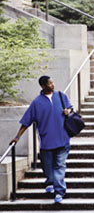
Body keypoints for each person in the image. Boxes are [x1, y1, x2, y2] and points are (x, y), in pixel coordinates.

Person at [10, 75, 72, 204]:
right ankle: (50, 182)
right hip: (46, 142)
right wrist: (17, 137)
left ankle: (59, 192)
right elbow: (26, 122)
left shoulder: (60, 95)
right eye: (50, 83)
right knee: (48, 168)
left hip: (63, 139)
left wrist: (68, 111)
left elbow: (70, 108)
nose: (52, 85)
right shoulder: (37, 103)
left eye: (53, 82)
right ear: (43, 86)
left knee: (59, 166)